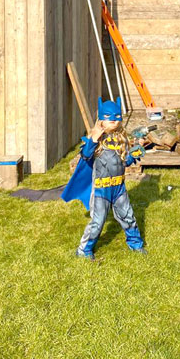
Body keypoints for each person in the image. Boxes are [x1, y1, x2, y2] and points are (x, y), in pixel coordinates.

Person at [62, 97, 146, 260]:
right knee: (98, 221)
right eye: (110, 118)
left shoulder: (121, 140)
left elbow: (123, 162)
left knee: (128, 217)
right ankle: (84, 250)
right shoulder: (95, 141)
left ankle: (135, 244)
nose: (114, 121)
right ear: (101, 120)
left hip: (118, 188)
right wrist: (94, 138)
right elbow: (86, 156)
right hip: (101, 190)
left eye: (117, 118)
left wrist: (134, 154)